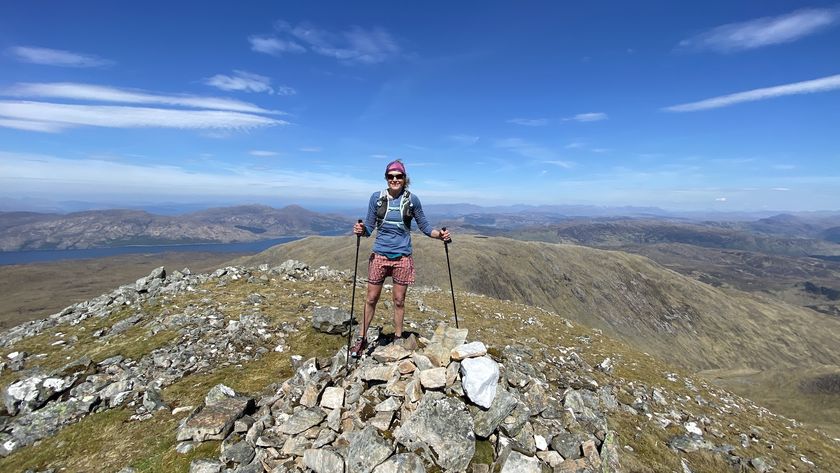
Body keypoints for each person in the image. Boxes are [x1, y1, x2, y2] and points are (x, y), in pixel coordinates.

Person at [350, 160, 450, 357]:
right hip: (379, 254)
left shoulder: (413, 200)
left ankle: (397, 338)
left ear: (405, 179)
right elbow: (369, 228)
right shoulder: (376, 198)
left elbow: (425, 226)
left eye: (399, 176)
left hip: (402, 256)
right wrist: (361, 231)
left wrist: (441, 235)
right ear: (386, 178)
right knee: (371, 298)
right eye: (391, 176)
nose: (395, 179)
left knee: (399, 300)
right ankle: (362, 339)